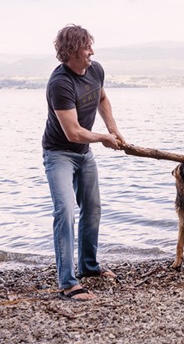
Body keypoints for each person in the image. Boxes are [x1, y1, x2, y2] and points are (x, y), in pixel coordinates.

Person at [42, 24, 125, 301]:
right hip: (59, 154)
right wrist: (102, 137)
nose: (92, 51)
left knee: (92, 207)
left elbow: (102, 97)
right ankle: (67, 283)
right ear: (71, 52)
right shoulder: (60, 84)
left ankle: (89, 267)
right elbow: (73, 132)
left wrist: (113, 129)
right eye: (86, 47)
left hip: (83, 153)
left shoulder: (95, 70)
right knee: (64, 211)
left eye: (91, 45)